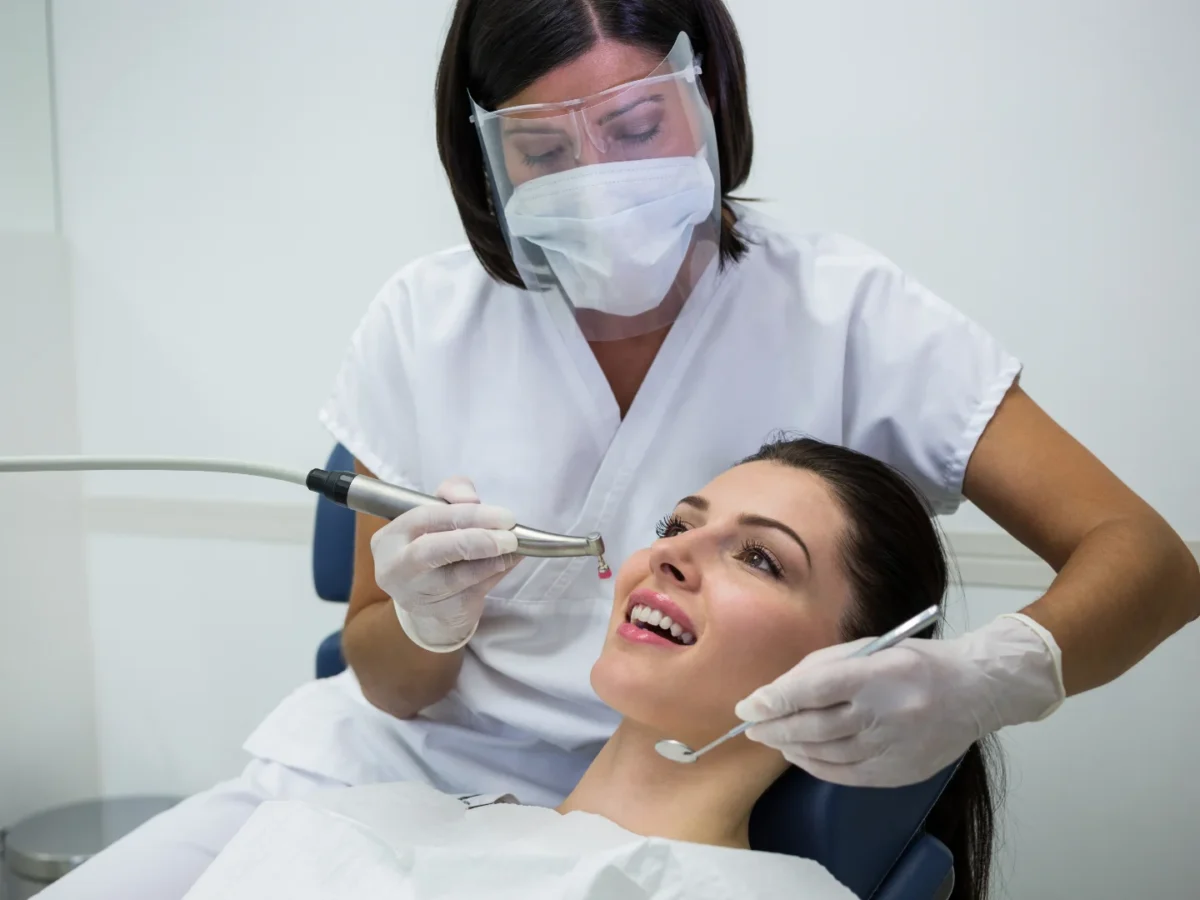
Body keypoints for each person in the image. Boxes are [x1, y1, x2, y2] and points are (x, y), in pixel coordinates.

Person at [44, 1, 1198, 897]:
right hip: (377, 788)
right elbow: (381, 674)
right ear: (484, 154)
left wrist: (986, 680)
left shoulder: (847, 313)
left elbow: (1147, 558)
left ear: (709, 91)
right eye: (545, 150)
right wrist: (426, 626)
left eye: (639, 126)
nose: (599, 181)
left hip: (645, 825)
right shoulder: (423, 321)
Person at [182, 439, 1000, 900]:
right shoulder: (410, 816)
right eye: (676, 523)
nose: (672, 554)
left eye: (759, 557)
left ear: (856, 669)